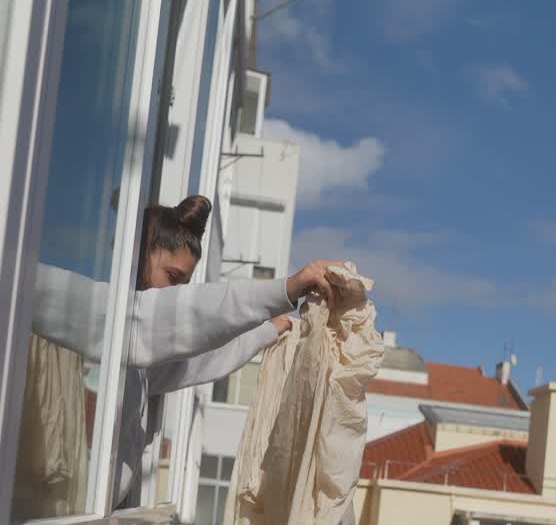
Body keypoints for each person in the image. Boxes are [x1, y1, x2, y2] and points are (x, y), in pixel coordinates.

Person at [31, 195, 342, 505]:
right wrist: (285, 289)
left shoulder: (137, 357)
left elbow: (196, 359)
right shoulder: (60, 298)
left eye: (184, 284)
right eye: (173, 277)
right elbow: (155, 317)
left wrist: (264, 331)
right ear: (140, 255)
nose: (176, 293)